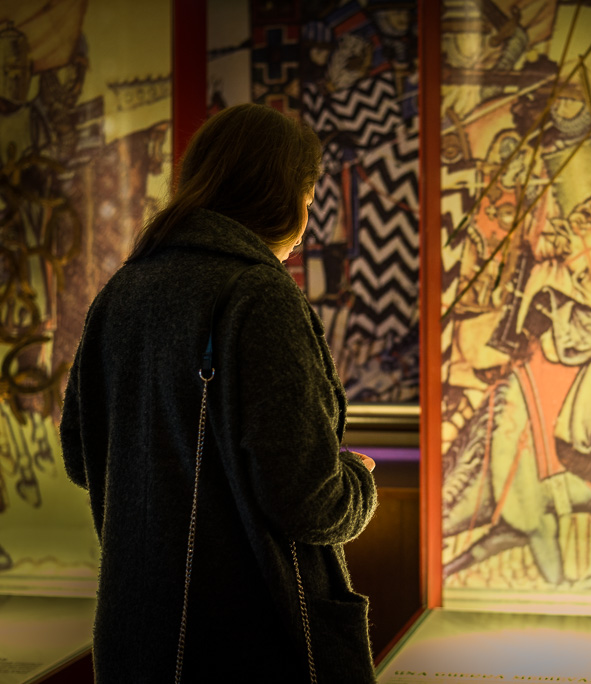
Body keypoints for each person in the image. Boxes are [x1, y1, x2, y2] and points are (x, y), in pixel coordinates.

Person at [59, 103, 379, 682]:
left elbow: (83, 458)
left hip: (137, 633)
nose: (307, 216)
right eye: (307, 195)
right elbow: (308, 502)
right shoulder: (258, 296)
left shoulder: (123, 291)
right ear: (277, 195)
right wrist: (355, 478)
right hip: (254, 640)